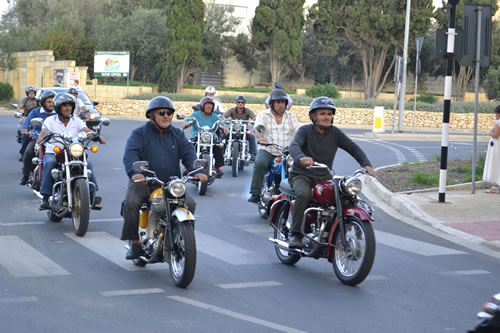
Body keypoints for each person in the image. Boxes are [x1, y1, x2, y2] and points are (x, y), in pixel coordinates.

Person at [121, 96, 208, 260]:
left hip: (170, 184)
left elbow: (189, 154)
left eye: (169, 113)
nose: (166, 116)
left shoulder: (177, 134)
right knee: (132, 202)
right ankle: (134, 243)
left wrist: (196, 172)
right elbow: (130, 155)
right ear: (152, 115)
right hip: (145, 182)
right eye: (162, 112)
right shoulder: (139, 134)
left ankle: (182, 238)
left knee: (190, 203)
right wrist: (135, 173)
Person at [287, 96, 377, 248]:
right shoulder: (305, 131)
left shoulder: (335, 133)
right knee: (304, 194)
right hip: (302, 175)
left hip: (324, 176)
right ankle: (295, 234)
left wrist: (366, 164)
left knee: (344, 196)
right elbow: (294, 146)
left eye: (329, 114)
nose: (326, 117)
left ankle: (332, 231)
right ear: (314, 116)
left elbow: (352, 147)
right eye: (322, 114)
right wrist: (301, 157)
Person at [36, 93, 107, 209]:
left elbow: (86, 130)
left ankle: (91, 194)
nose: (68, 108)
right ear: (58, 107)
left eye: (69, 105)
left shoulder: (76, 120)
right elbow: (44, 131)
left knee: (87, 164)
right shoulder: (50, 120)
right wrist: (42, 137)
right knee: (49, 163)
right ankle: (45, 197)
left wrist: (95, 136)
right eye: (64, 106)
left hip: (72, 152)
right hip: (54, 151)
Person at [248, 89, 301, 203]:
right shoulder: (264, 115)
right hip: (268, 149)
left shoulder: (290, 116)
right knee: (260, 163)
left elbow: (299, 131)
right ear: (272, 103)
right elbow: (258, 128)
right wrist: (261, 137)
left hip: (286, 152)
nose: (281, 105)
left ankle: (298, 192)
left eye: (283, 102)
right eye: (278, 102)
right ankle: (255, 192)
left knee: (298, 167)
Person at [18, 90, 57, 185]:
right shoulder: (36, 112)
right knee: (28, 152)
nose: (51, 104)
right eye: (49, 102)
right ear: (43, 103)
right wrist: (24, 129)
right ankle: (25, 176)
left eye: (53, 102)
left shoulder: (58, 113)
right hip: (38, 139)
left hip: (55, 140)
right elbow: (26, 122)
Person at [182, 96, 225, 178]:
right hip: (197, 136)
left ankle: (217, 168)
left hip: (211, 136)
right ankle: (186, 167)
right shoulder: (195, 114)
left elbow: (221, 124)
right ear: (202, 105)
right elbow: (186, 122)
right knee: (190, 148)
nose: (209, 106)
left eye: (211, 105)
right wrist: (187, 124)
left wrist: (223, 128)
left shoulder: (215, 116)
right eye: (207, 104)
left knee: (219, 147)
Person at [223, 95, 257, 161]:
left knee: (252, 137)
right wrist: (223, 118)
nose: (240, 104)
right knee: (224, 135)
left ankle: (253, 154)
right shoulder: (232, 110)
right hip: (233, 129)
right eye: (239, 102)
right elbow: (225, 116)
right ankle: (222, 152)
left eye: (242, 102)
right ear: (236, 103)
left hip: (244, 129)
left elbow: (253, 116)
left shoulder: (247, 111)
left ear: (244, 103)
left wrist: (255, 119)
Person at [483, 105, 500, 193]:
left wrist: (490, 133)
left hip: (497, 146)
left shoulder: (498, 123)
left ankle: (495, 187)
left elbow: (496, 135)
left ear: (498, 114)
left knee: (495, 164)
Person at [16, 86, 39, 151]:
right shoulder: (25, 100)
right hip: (26, 117)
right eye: (30, 93)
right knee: (19, 127)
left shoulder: (37, 100)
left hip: (35, 118)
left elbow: (41, 107)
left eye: (32, 93)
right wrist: (18, 111)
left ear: (35, 94)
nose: (31, 95)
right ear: (27, 94)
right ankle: (19, 137)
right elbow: (20, 106)